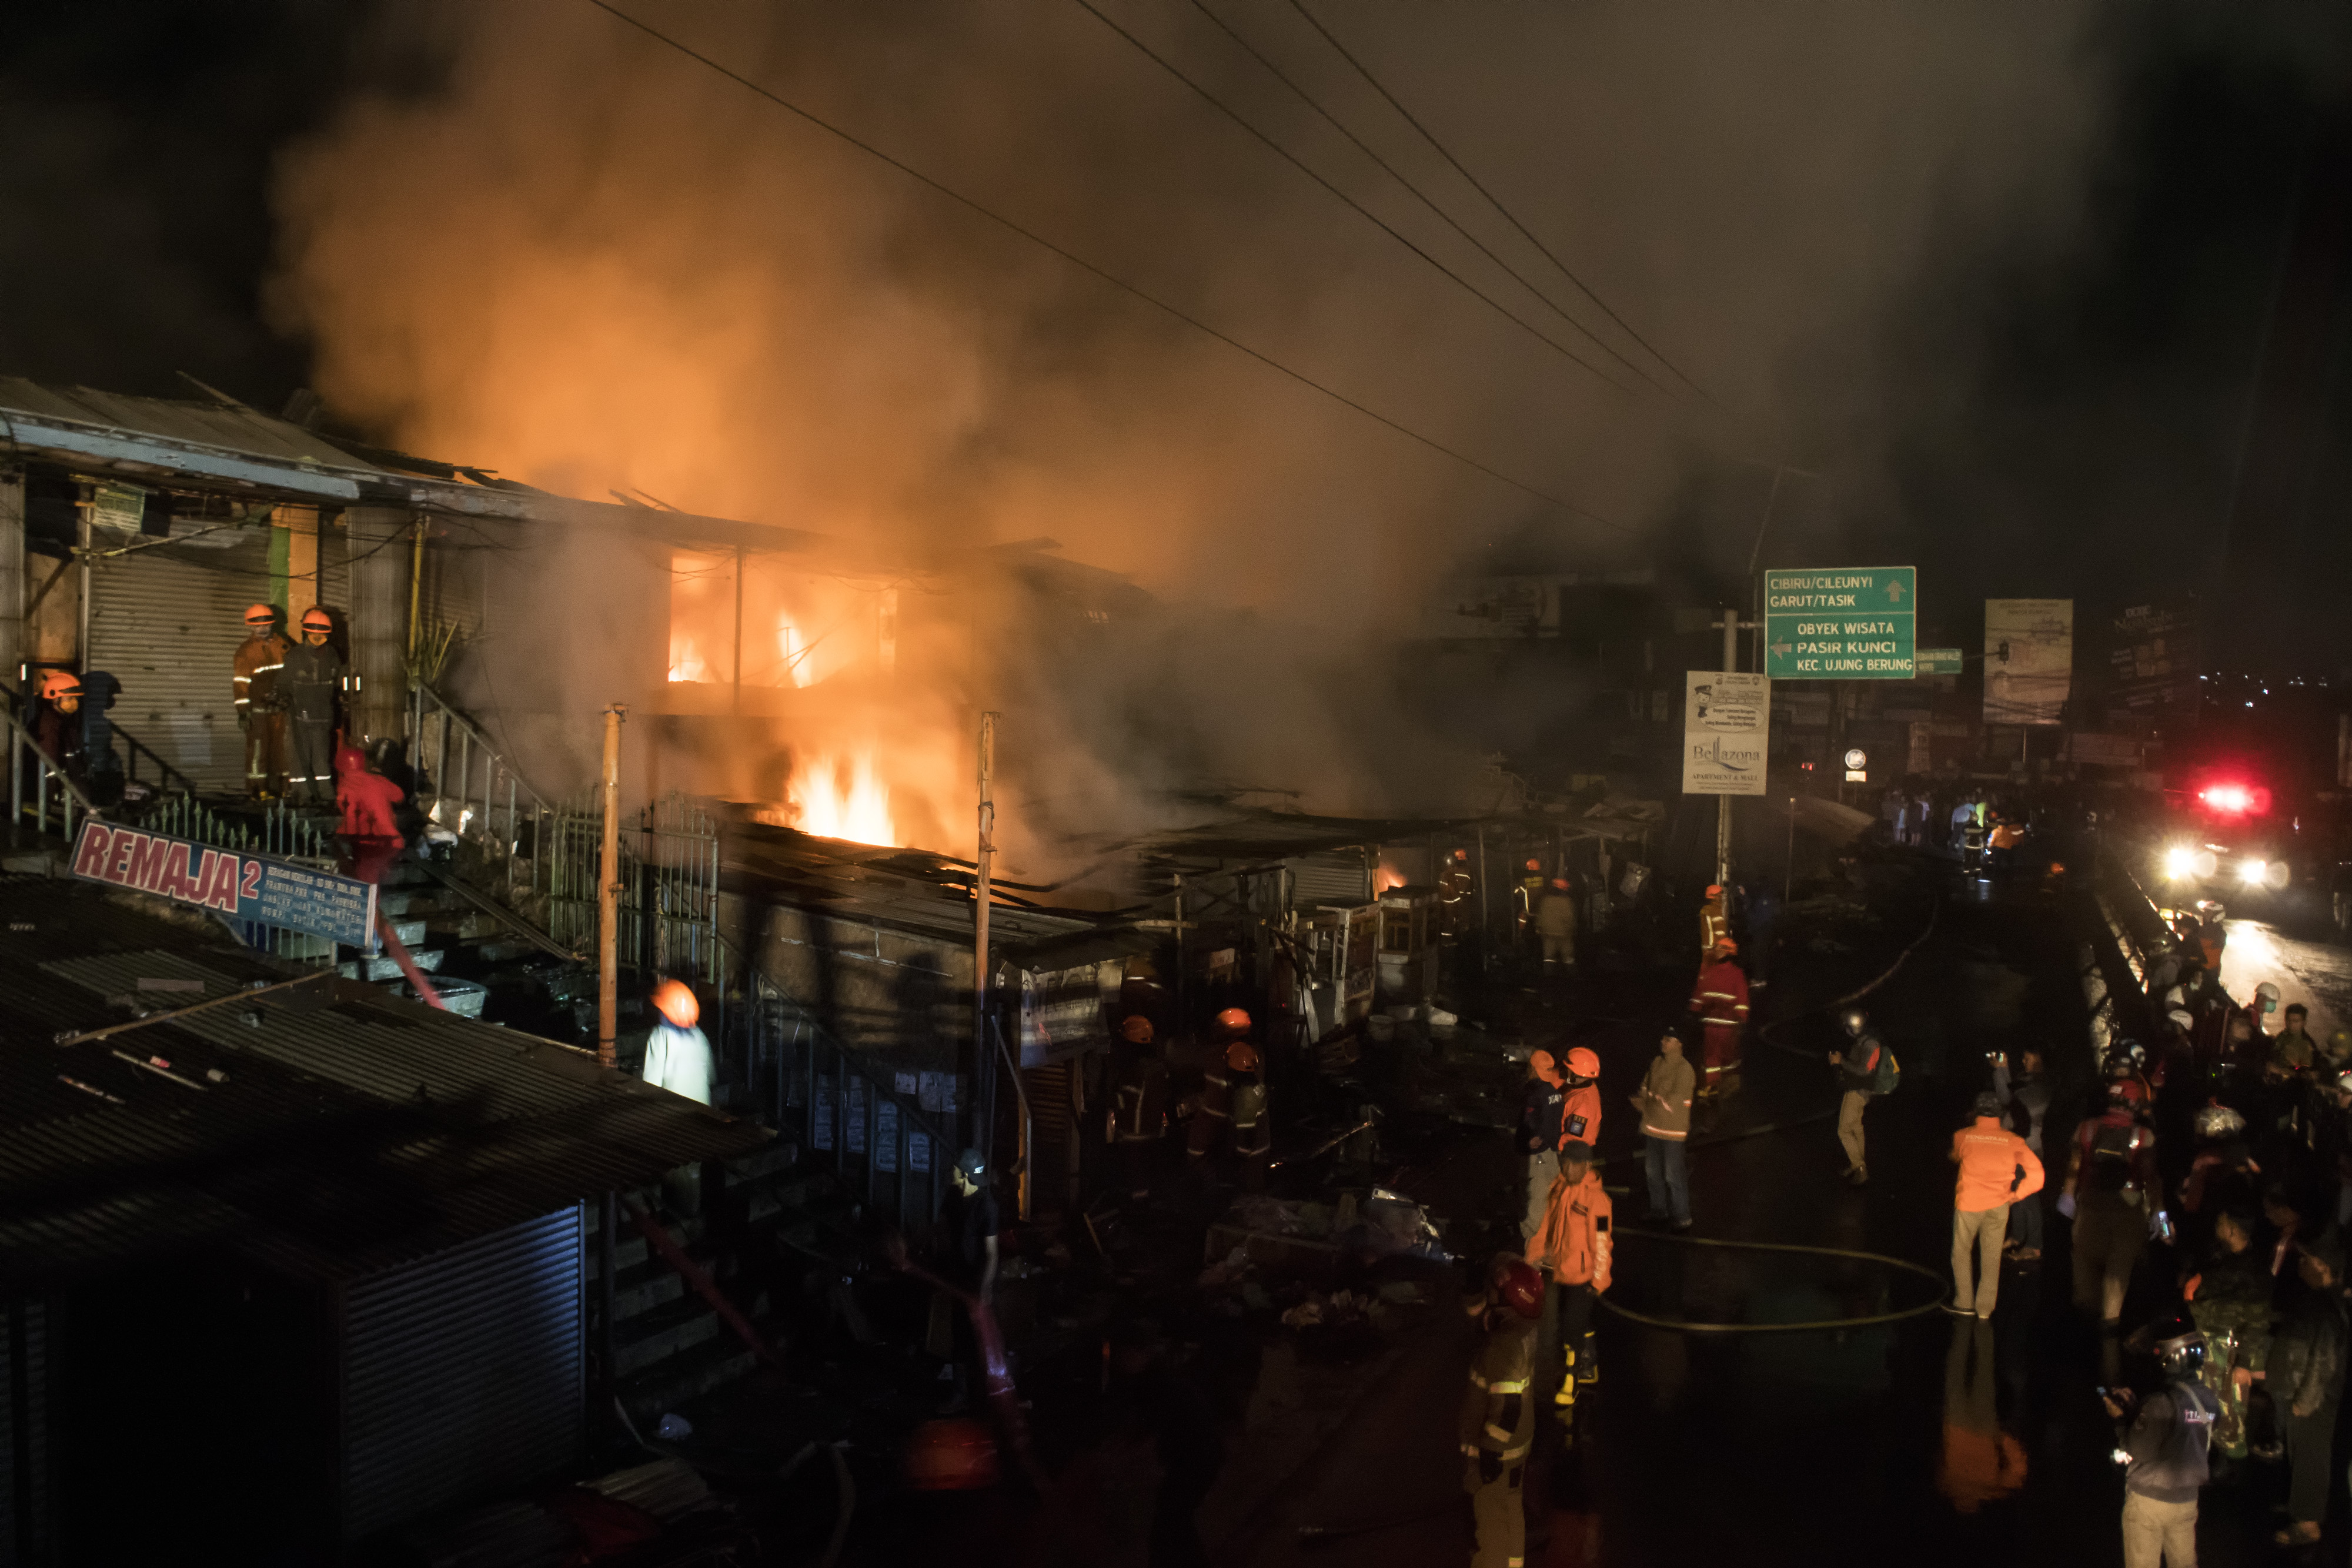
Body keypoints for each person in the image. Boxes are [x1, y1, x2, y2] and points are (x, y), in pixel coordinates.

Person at [2103, 1321, 2219, 1568]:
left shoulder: (2159, 1403)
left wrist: (2121, 1420)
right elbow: (2187, 1431)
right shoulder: (2209, 1400)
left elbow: (2137, 1450)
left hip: (2149, 1502)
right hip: (2187, 1500)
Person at [1459, 1255, 1542, 1568]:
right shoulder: (1522, 1329)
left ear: (1510, 1301)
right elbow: (1483, 1321)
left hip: (1498, 1453)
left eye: (1495, 1292)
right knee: (1511, 1509)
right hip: (1517, 1448)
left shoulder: (1503, 1348)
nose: (1491, 1294)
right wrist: (1473, 1294)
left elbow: (1508, 1407)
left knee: (1490, 1525)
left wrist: (1489, 1455)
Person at [2059, 1082, 2159, 1339]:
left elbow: (2074, 1165)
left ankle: (2084, 1336)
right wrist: (2159, 1213)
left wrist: (2067, 1196)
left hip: (2090, 1204)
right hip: (2129, 1207)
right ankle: (2110, 1332)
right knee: (2117, 1274)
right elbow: (2151, 1177)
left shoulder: (2086, 1128)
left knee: (2085, 1267)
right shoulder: (2143, 1135)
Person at [2267, 1231, 2346, 1548]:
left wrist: (2307, 1400)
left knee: (2311, 1457)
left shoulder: (2328, 1306)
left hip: (2314, 1399)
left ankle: (2308, 1523)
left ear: (2324, 1266)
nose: (2301, 1265)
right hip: (2300, 1391)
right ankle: (2300, 1508)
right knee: (2301, 1455)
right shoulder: (2319, 1299)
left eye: (2308, 1260)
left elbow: (2324, 1358)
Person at [1527, 1139, 1612, 1410]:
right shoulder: (1559, 1187)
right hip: (1561, 1269)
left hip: (1583, 1276)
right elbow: (1546, 1225)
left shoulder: (1598, 1201)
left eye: (1575, 1164)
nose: (1568, 1169)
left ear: (1587, 1166)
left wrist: (1599, 1281)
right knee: (1576, 1319)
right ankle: (1589, 1366)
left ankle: (1572, 1378)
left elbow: (1602, 1243)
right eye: (1565, 1163)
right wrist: (1534, 1255)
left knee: (1571, 1327)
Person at [2181, 1206, 2270, 1463]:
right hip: (2207, 1343)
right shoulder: (2218, 1260)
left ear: (2231, 1230)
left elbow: (2258, 1321)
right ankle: (2208, 1458)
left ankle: (2231, 1463)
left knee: (2231, 1413)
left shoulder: (2253, 1270)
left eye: (2221, 1223)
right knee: (2203, 1407)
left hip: (2229, 1349)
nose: (2217, 1228)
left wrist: (2244, 1362)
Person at [1949, 1089, 2044, 1318]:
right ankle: (1985, 1310)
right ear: (2001, 1113)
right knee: (1991, 1258)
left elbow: (1957, 1156)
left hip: (1969, 1203)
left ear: (1976, 1112)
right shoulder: (2014, 1141)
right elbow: (2037, 1175)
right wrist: (2017, 1195)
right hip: (1999, 1206)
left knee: (1961, 1253)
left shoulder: (1962, 1135)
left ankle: (1964, 1303)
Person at [931, 1149, 1003, 1413]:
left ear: (964, 1175)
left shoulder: (986, 1205)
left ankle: (985, 1399)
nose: (951, 1171)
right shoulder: (953, 1197)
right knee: (959, 1338)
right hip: (958, 1279)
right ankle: (961, 1395)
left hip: (978, 1281)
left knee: (980, 1342)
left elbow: (992, 1254)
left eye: (955, 1168)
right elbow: (941, 1228)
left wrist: (984, 1290)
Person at [279, 606, 345, 806]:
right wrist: (281, 697)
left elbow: (339, 682)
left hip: (323, 717)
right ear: (306, 632)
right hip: (300, 716)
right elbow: (283, 683)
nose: (317, 638)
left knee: (321, 758)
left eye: (322, 635)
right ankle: (302, 794)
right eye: (313, 634)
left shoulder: (332, 655)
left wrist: (345, 695)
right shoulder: (295, 655)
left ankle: (325, 793)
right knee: (300, 757)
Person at [1992, 1047, 2052, 1259]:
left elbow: (2007, 1100)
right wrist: (2004, 1070)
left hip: (2030, 1148)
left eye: (2028, 1058)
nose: (2024, 1062)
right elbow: (2010, 1099)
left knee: (2028, 1197)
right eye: (2023, 1058)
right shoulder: (2025, 1082)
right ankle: (2018, 1235)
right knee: (2016, 1191)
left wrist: (2000, 1071)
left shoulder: (2040, 1086)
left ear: (2039, 1058)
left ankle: (2034, 1245)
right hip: (2015, 1147)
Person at [1635, 1024, 1695, 1230]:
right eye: (1663, 1039)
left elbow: (1673, 1102)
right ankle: (1658, 1210)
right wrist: (1644, 1098)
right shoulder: (1657, 1063)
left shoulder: (1685, 1070)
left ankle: (1682, 1216)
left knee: (1673, 1176)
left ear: (1679, 1044)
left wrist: (1649, 1101)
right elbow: (1645, 1086)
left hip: (1672, 1133)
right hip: (1653, 1128)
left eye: (1668, 1040)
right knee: (1653, 1173)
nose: (1663, 1042)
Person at [1828, 1008, 1896, 1185]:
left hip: (1858, 1092)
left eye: (1849, 1027)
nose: (1848, 1030)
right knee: (1856, 1128)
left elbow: (1865, 1070)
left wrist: (1841, 1061)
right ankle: (1856, 1164)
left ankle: (1860, 1168)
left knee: (1844, 1131)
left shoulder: (1871, 1044)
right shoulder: (1865, 1041)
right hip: (1857, 1090)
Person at [231, 601, 289, 798]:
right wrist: (243, 712)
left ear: (272, 624)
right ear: (251, 626)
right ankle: (258, 791)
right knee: (258, 750)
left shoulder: (283, 645)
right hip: (258, 710)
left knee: (283, 750)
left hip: (281, 708)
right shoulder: (246, 651)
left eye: (266, 624)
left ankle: (284, 790)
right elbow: (241, 683)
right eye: (258, 626)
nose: (263, 628)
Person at [1108, 1017, 1168, 1202]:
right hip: (1153, 1132)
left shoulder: (1134, 1069)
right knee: (1146, 1178)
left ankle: (1135, 1210)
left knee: (1134, 1180)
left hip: (1132, 1134)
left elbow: (1123, 1100)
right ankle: (1145, 1206)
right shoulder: (1157, 1066)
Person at [1687, 938, 1750, 1098]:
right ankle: (1714, 1087)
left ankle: (1728, 1087)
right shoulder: (1709, 972)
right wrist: (1694, 1011)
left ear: (1728, 952)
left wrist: (1742, 1019)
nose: (1717, 951)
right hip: (1712, 1023)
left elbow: (1742, 998)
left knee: (1726, 1057)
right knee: (1712, 1057)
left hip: (1727, 1023)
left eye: (1721, 949)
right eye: (1716, 948)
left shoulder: (1735, 973)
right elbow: (1700, 994)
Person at [1516, 1050, 1567, 1241]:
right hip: (1552, 1151)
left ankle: (1532, 1236)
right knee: (1553, 1190)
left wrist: (1532, 1140)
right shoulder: (1555, 1093)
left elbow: (1529, 1123)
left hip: (1539, 1153)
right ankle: (1555, 1229)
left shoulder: (1535, 1094)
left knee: (1537, 1193)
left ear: (1534, 1069)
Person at [641, 978, 713, 1105]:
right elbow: (711, 1077)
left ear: (664, 1012)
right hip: (703, 1110)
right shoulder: (700, 1036)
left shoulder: (660, 1036)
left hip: (673, 1112)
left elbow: (650, 1085)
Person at [1224, 1041, 1270, 1191]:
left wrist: (1239, 1159)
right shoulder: (1257, 1085)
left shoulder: (1245, 1095)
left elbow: (1247, 1134)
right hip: (1261, 1148)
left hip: (1251, 1155)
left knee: (1250, 1193)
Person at [1534, 877, 1577, 972]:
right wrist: (1572, 930)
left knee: (1549, 958)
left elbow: (1541, 916)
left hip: (1548, 934)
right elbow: (1569, 918)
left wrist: (1539, 929)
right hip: (1564, 934)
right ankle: (1571, 976)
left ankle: (1549, 976)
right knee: (1568, 957)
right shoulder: (1566, 901)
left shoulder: (1545, 900)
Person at [2270, 1002, 2318, 1075]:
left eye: (2296, 1021)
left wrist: (2281, 1071)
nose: (2291, 1025)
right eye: (2289, 1020)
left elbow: (2306, 1074)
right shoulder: (2283, 1036)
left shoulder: (2307, 1044)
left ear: (2304, 1023)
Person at [1698, 883, 1729, 956]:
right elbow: (1714, 931)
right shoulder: (1711, 910)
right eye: (1719, 895)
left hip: (1712, 949)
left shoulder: (1711, 909)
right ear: (1713, 896)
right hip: (1713, 950)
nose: (1721, 897)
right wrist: (1717, 948)